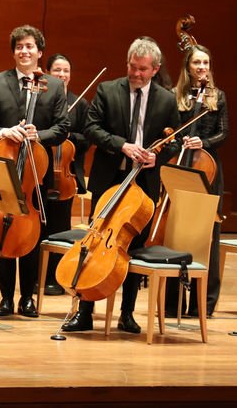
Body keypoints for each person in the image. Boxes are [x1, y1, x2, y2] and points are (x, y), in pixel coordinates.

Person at [63, 37, 180, 334]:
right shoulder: (107, 90)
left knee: (132, 246)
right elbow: (91, 128)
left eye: (142, 69)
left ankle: (127, 314)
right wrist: (123, 146)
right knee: (94, 242)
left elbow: (173, 140)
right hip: (110, 178)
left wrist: (158, 156)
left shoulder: (166, 99)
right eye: (132, 66)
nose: (136, 74)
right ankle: (84, 311)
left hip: (143, 184)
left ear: (155, 69)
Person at [0, 26, 68, 317]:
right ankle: (5, 298)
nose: (24, 51)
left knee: (31, 235)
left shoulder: (53, 86)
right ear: (13, 51)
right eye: (19, 47)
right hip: (4, 167)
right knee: (3, 231)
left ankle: (27, 297)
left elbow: (63, 128)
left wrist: (37, 135)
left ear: (40, 52)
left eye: (29, 47)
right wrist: (5, 131)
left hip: (36, 172)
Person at [164, 43, 228, 317]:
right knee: (175, 229)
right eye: (196, 63)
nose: (202, 68)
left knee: (208, 234)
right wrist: (180, 141)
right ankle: (171, 300)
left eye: (206, 63)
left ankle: (203, 303)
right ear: (187, 67)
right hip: (180, 165)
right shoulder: (174, 96)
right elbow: (169, 132)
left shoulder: (218, 96)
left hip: (207, 168)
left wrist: (204, 141)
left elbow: (224, 133)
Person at [42, 53, 89, 296]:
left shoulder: (79, 104)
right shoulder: (41, 99)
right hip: (41, 172)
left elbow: (87, 136)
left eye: (66, 71)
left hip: (66, 176)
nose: (62, 75)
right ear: (48, 72)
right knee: (40, 227)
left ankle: (57, 277)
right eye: (57, 70)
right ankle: (38, 276)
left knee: (60, 228)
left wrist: (67, 136)